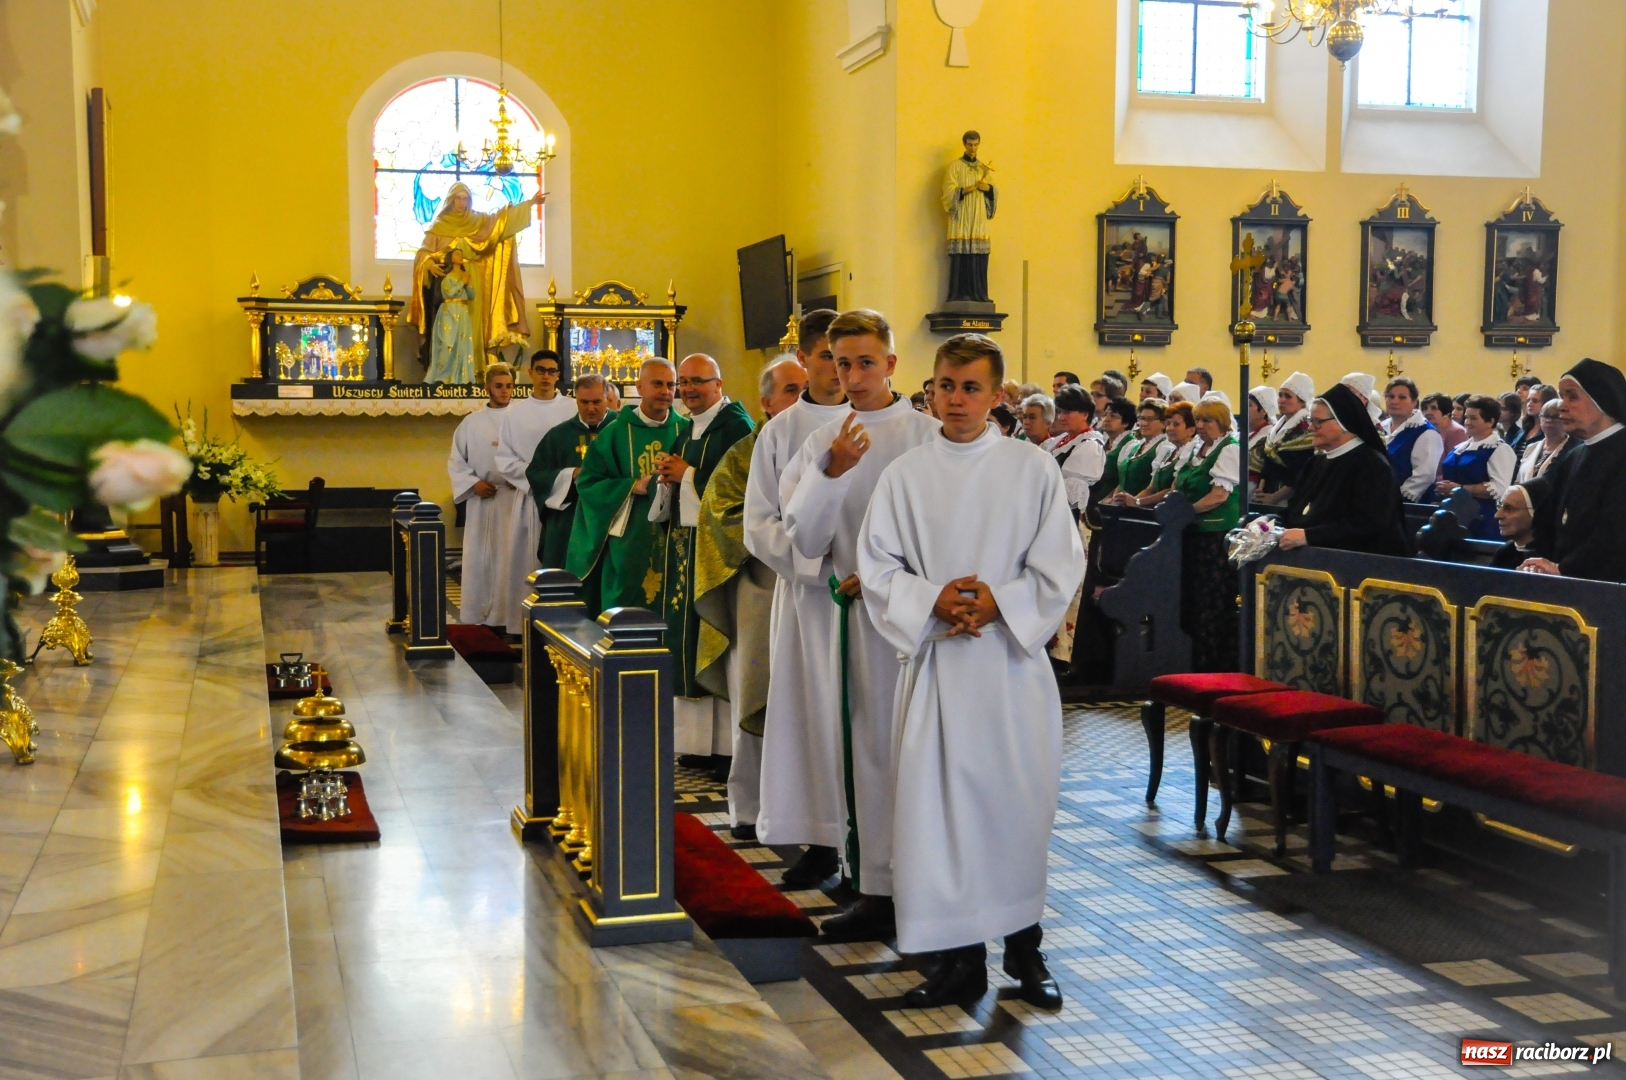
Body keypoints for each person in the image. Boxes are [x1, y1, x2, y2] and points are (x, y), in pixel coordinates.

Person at [856, 332, 1083, 1008]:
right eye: (945, 386)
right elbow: (878, 566)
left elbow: (1059, 563)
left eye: (971, 388)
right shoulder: (905, 475)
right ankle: (957, 963)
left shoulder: (1030, 469)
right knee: (938, 818)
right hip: (938, 669)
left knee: (1014, 814)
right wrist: (935, 602)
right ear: (930, 388)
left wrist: (995, 604)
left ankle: (1026, 956)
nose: (955, 400)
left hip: (1009, 671)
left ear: (997, 396)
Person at [782, 309, 939, 940]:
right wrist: (831, 474)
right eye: (841, 362)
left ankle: (924, 885)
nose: (852, 375)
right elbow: (805, 535)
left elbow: (943, 526)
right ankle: (873, 885)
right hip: (853, 622)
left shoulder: (928, 434)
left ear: (893, 363)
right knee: (866, 752)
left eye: (865, 362)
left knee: (918, 755)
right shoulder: (822, 443)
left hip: (918, 623)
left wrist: (896, 583)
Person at [748, 310, 853, 889]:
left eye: (851, 361)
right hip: (809, 599)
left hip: (875, 599)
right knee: (809, 715)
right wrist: (816, 565)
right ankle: (817, 836)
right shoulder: (782, 431)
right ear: (806, 359)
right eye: (828, 359)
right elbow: (758, 522)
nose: (840, 372)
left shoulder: (891, 422)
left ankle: (869, 845)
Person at [693, 355, 806, 838]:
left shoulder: (836, 443)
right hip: (762, 588)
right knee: (758, 693)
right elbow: (720, 513)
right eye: (791, 392)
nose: (802, 401)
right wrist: (793, 540)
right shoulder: (745, 452)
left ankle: (810, 811)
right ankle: (750, 807)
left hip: (820, 591)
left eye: (807, 389)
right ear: (765, 402)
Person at [652, 354, 756, 767]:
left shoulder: (735, 426)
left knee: (711, 631)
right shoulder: (687, 427)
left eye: (698, 381)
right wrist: (670, 477)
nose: (689, 390)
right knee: (684, 637)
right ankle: (696, 743)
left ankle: (724, 746)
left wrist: (688, 475)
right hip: (685, 544)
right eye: (684, 383)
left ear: (719, 383)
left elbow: (738, 490)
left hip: (716, 553)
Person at [564, 358, 688, 615]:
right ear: (639, 387)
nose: (666, 391)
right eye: (657, 384)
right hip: (629, 538)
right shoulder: (614, 433)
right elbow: (587, 483)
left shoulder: (686, 430)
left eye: (670, 384)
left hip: (676, 538)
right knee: (625, 605)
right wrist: (630, 487)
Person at [409, 181, 544, 369]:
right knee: (448, 330)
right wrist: (429, 263)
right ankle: (447, 372)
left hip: (473, 279)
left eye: (465, 199)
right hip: (445, 285)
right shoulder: (439, 226)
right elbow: (423, 253)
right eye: (458, 198)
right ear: (450, 200)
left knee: (474, 324)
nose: (461, 203)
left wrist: (529, 203)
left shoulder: (478, 221)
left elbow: (500, 221)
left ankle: (475, 369)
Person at [1521, 358, 1626, 583]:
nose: (1561, 405)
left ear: (1602, 400)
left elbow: (1616, 532)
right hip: (1565, 584)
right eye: (1561, 395)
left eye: (1572, 396)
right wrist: (1539, 561)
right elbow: (1546, 521)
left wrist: (1565, 568)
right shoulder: (1574, 456)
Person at [1277, 384, 1409, 556]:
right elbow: (1295, 510)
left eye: (1318, 422)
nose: (1310, 428)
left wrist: (1308, 536)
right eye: (1311, 421)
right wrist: (1269, 523)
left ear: (1344, 422)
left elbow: (1367, 525)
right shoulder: (1315, 463)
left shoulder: (1372, 465)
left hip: (1360, 565)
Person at [448, 363, 530, 633]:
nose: (505, 391)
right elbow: (456, 461)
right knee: (483, 559)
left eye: (509, 386)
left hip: (515, 498)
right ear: (487, 388)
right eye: (499, 386)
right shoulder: (471, 423)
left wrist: (518, 477)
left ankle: (511, 616)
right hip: (483, 499)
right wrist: (474, 484)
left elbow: (533, 456)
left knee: (512, 559)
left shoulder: (521, 419)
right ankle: (480, 614)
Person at [495, 350, 578, 606]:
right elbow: (505, 459)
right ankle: (525, 622)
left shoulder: (574, 408)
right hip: (531, 497)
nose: (546, 376)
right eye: (540, 370)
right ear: (530, 373)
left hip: (571, 500)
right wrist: (538, 477)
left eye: (552, 371)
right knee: (527, 560)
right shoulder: (514, 414)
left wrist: (566, 478)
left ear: (559, 375)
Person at [1179, 399, 1243, 671]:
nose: (1201, 426)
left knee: (1212, 602)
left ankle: (1212, 664)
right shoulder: (1197, 448)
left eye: (1208, 421)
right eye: (1199, 420)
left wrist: (1186, 512)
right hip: (1193, 534)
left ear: (1222, 423)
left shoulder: (1229, 450)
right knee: (1194, 599)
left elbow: (1219, 495)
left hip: (1216, 536)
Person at [526, 373, 612, 571]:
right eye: (584, 402)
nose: (590, 408)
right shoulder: (559, 435)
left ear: (607, 399)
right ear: (576, 400)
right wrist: (569, 474)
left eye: (597, 402)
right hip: (570, 518)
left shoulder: (620, 430)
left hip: (612, 515)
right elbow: (536, 474)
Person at [1433, 394, 1515, 541]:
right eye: (1467, 417)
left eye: (1474, 418)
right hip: (1453, 516)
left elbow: (1499, 488)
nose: (1467, 422)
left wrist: (1459, 489)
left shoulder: (1499, 449)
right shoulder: (1460, 447)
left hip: (1482, 519)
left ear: (1490, 421)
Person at [942, 130, 996, 304]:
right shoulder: (955, 167)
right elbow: (948, 193)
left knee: (979, 254)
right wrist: (967, 189)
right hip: (962, 219)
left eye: (976, 144)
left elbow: (993, 193)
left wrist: (987, 189)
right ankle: (960, 294)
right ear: (964, 145)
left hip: (978, 218)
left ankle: (980, 294)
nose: (973, 148)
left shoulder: (983, 168)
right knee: (963, 254)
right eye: (970, 145)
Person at [1253, 371, 1315, 506]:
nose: (1281, 400)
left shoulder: (1307, 430)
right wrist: (1260, 489)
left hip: (1290, 496)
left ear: (1302, 402)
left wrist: (1275, 497)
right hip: (1270, 492)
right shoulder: (1277, 428)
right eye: (1280, 395)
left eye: (1288, 396)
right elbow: (1268, 462)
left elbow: (1300, 474)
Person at [1380, 376, 1443, 503]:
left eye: (1402, 397)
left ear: (1414, 402)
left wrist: (1396, 498)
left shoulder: (1425, 432)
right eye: (1390, 396)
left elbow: (1425, 475)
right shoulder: (1381, 427)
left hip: (1407, 505)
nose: (1394, 401)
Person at [1125, 400, 1197, 508]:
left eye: (1176, 424)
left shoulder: (1191, 454)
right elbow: (1152, 487)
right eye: (1168, 423)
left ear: (1191, 430)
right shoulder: (1165, 451)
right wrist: (1133, 501)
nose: (1170, 428)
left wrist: (1138, 502)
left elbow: (1172, 490)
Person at [1049, 385, 1104, 517]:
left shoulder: (1090, 446)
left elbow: (1071, 495)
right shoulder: (1061, 440)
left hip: (1073, 518)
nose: (1061, 417)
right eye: (1059, 412)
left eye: (1067, 412)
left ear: (1085, 414)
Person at [426, 244, 477, 384]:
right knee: (447, 342)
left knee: (462, 344)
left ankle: (461, 377)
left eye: (461, 254)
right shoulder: (446, 276)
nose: (460, 256)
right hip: (448, 310)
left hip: (463, 311)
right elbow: (449, 292)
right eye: (457, 254)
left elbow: (472, 296)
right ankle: (442, 376)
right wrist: (462, 282)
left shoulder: (465, 275)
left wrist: (467, 283)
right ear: (451, 259)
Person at [1112, 400, 1169, 503]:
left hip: (1144, 509)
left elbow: (1153, 486)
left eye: (1150, 419)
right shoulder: (1133, 446)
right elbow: (1122, 482)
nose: (1144, 423)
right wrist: (1113, 500)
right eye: (1142, 418)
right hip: (1124, 507)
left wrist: (1135, 501)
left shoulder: (1164, 447)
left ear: (1164, 423)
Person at [1517, 397, 1570, 482]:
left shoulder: (1571, 449)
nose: (1549, 420)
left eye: (1555, 417)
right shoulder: (1531, 448)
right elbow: (1518, 480)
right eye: (1546, 416)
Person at [1094, 397, 1137, 501]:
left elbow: (1123, 480)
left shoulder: (1131, 445)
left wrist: (1109, 499)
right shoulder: (1103, 440)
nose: (1107, 419)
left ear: (1126, 423)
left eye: (1113, 416)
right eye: (1105, 415)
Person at [1491, 485, 1540, 570]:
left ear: (1534, 513)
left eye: (1509, 509)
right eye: (1499, 506)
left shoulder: (1549, 558)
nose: (1497, 515)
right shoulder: (1505, 552)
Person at [1422, 392, 1468, 456]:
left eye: (1434, 408)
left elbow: (1453, 462)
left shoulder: (1457, 431)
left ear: (1446, 412)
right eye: (1425, 408)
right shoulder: (1426, 429)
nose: (1427, 412)